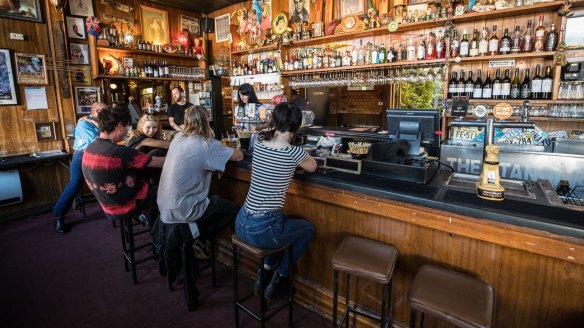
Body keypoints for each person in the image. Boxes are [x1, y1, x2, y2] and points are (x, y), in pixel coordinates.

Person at [235, 102, 317, 300]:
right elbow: (312, 167)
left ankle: (264, 272)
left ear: (274, 121)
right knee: (306, 229)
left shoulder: (260, 145)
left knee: (279, 227)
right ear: (297, 125)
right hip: (263, 230)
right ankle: (279, 278)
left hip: (241, 222)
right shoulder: (293, 152)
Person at [157, 105, 243, 254]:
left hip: (164, 206)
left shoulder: (178, 138)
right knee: (235, 211)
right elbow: (239, 156)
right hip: (184, 209)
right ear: (206, 121)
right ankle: (196, 234)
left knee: (216, 203)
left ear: (186, 121)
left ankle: (199, 239)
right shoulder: (206, 144)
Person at [82, 106, 165, 221]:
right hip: (123, 206)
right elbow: (161, 163)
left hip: (107, 203)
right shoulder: (118, 151)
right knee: (168, 190)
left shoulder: (90, 147)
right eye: (127, 126)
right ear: (120, 126)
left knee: (156, 153)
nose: (127, 130)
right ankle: (156, 225)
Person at [53, 102, 107, 233]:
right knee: (75, 182)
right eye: (107, 111)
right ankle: (59, 215)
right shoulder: (83, 123)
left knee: (113, 174)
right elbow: (96, 142)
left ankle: (120, 209)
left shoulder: (100, 121)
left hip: (100, 154)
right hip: (82, 154)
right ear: (98, 111)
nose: (109, 113)